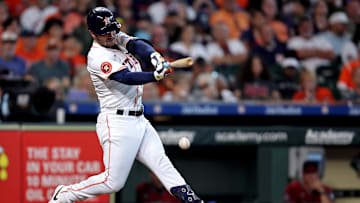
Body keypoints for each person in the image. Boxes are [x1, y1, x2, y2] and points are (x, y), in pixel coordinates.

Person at [49, 7, 203, 203]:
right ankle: (65, 195)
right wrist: (154, 75)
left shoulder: (114, 36)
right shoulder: (97, 56)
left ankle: (194, 200)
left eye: (113, 30)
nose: (111, 35)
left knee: (163, 166)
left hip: (139, 119)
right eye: (105, 33)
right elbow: (125, 77)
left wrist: (154, 56)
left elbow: (137, 44)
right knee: (113, 182)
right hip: (117, 122)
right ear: (92, 33)